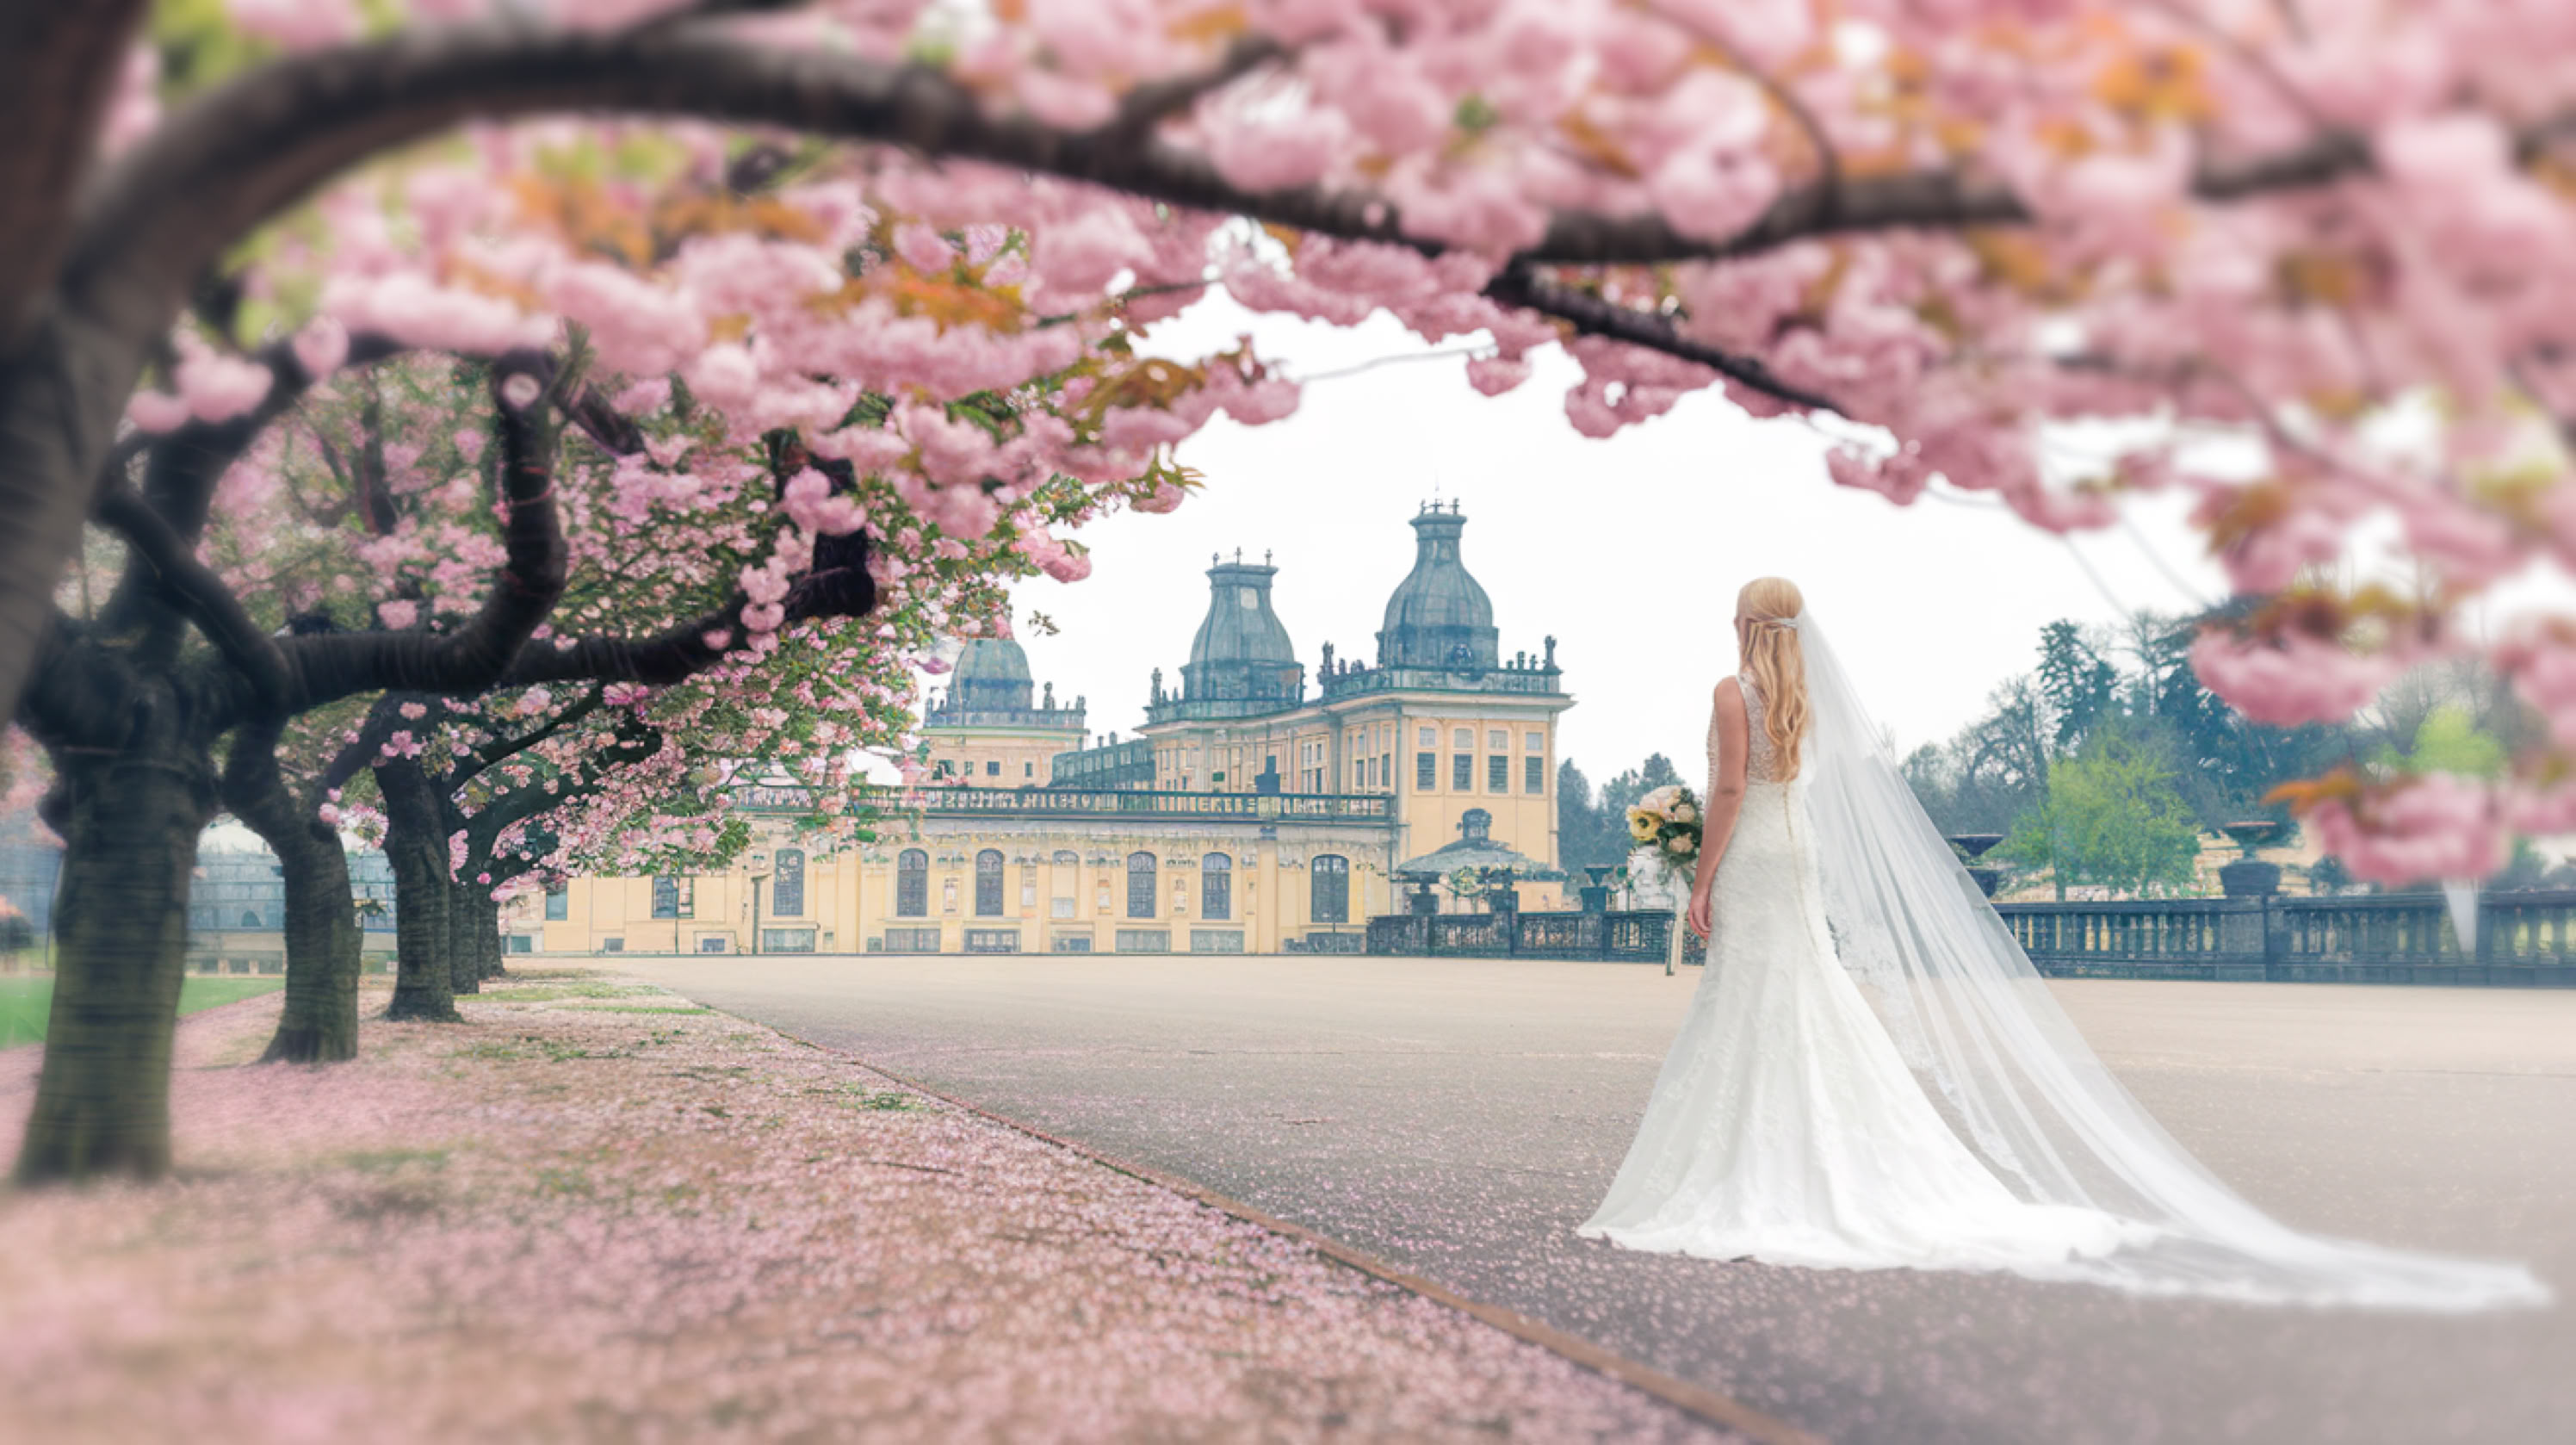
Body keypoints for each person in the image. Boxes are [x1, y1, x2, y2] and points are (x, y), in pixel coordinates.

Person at [1577, 577, 2548, 1310]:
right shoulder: (1806, 701)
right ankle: (1828, 1138)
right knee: (1805, 991)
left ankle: (1746, 1158)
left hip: (1754, 854)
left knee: (1753, 993)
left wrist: (1698, 877)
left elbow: (1731, 793)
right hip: (1802, 857)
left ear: (1745, 625)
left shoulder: (1728, 691)